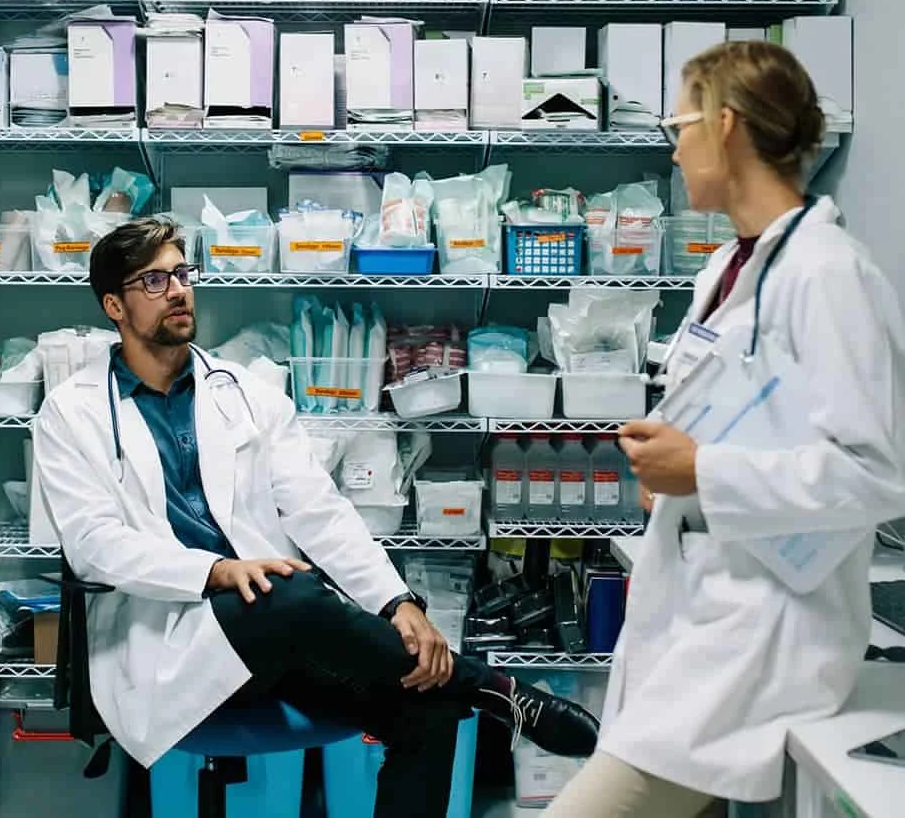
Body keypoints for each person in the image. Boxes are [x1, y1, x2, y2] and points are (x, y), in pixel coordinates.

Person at [32, 217, 599, 817]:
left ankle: (469, 688)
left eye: (180, 273)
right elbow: (94, 543)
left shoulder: (246, 392)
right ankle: (493, 687)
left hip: (277, 633)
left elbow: (320, 510)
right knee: (290, 590)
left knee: (428, 704)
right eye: (153, 281)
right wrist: (217, 572)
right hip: (163, 634)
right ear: (114, 305)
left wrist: (397, 603)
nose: (177, 290)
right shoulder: (72, 413)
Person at [545, 40, 905, 817]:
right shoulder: (727, 268)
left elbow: (874, 471)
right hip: (707, 601)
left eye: (681, 124)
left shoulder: (828, 274)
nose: (674, 149)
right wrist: (669, 462)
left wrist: (702, 472)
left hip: (770, 626)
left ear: (727, 124)